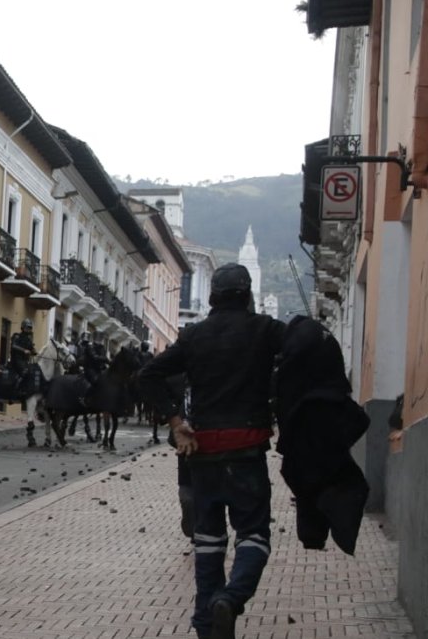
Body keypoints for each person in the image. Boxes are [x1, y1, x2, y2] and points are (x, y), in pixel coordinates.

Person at [137, 263, 285, 639]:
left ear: (212, 297)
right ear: (247, 295)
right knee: (253, 535)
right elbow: (302, 350)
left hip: (201, 452)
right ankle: (230, 599)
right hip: (247, 451)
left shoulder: (194, 336)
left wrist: (176, 422)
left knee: (208, 542)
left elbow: (148, 375)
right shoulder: (266, 330)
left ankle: (207, 625)